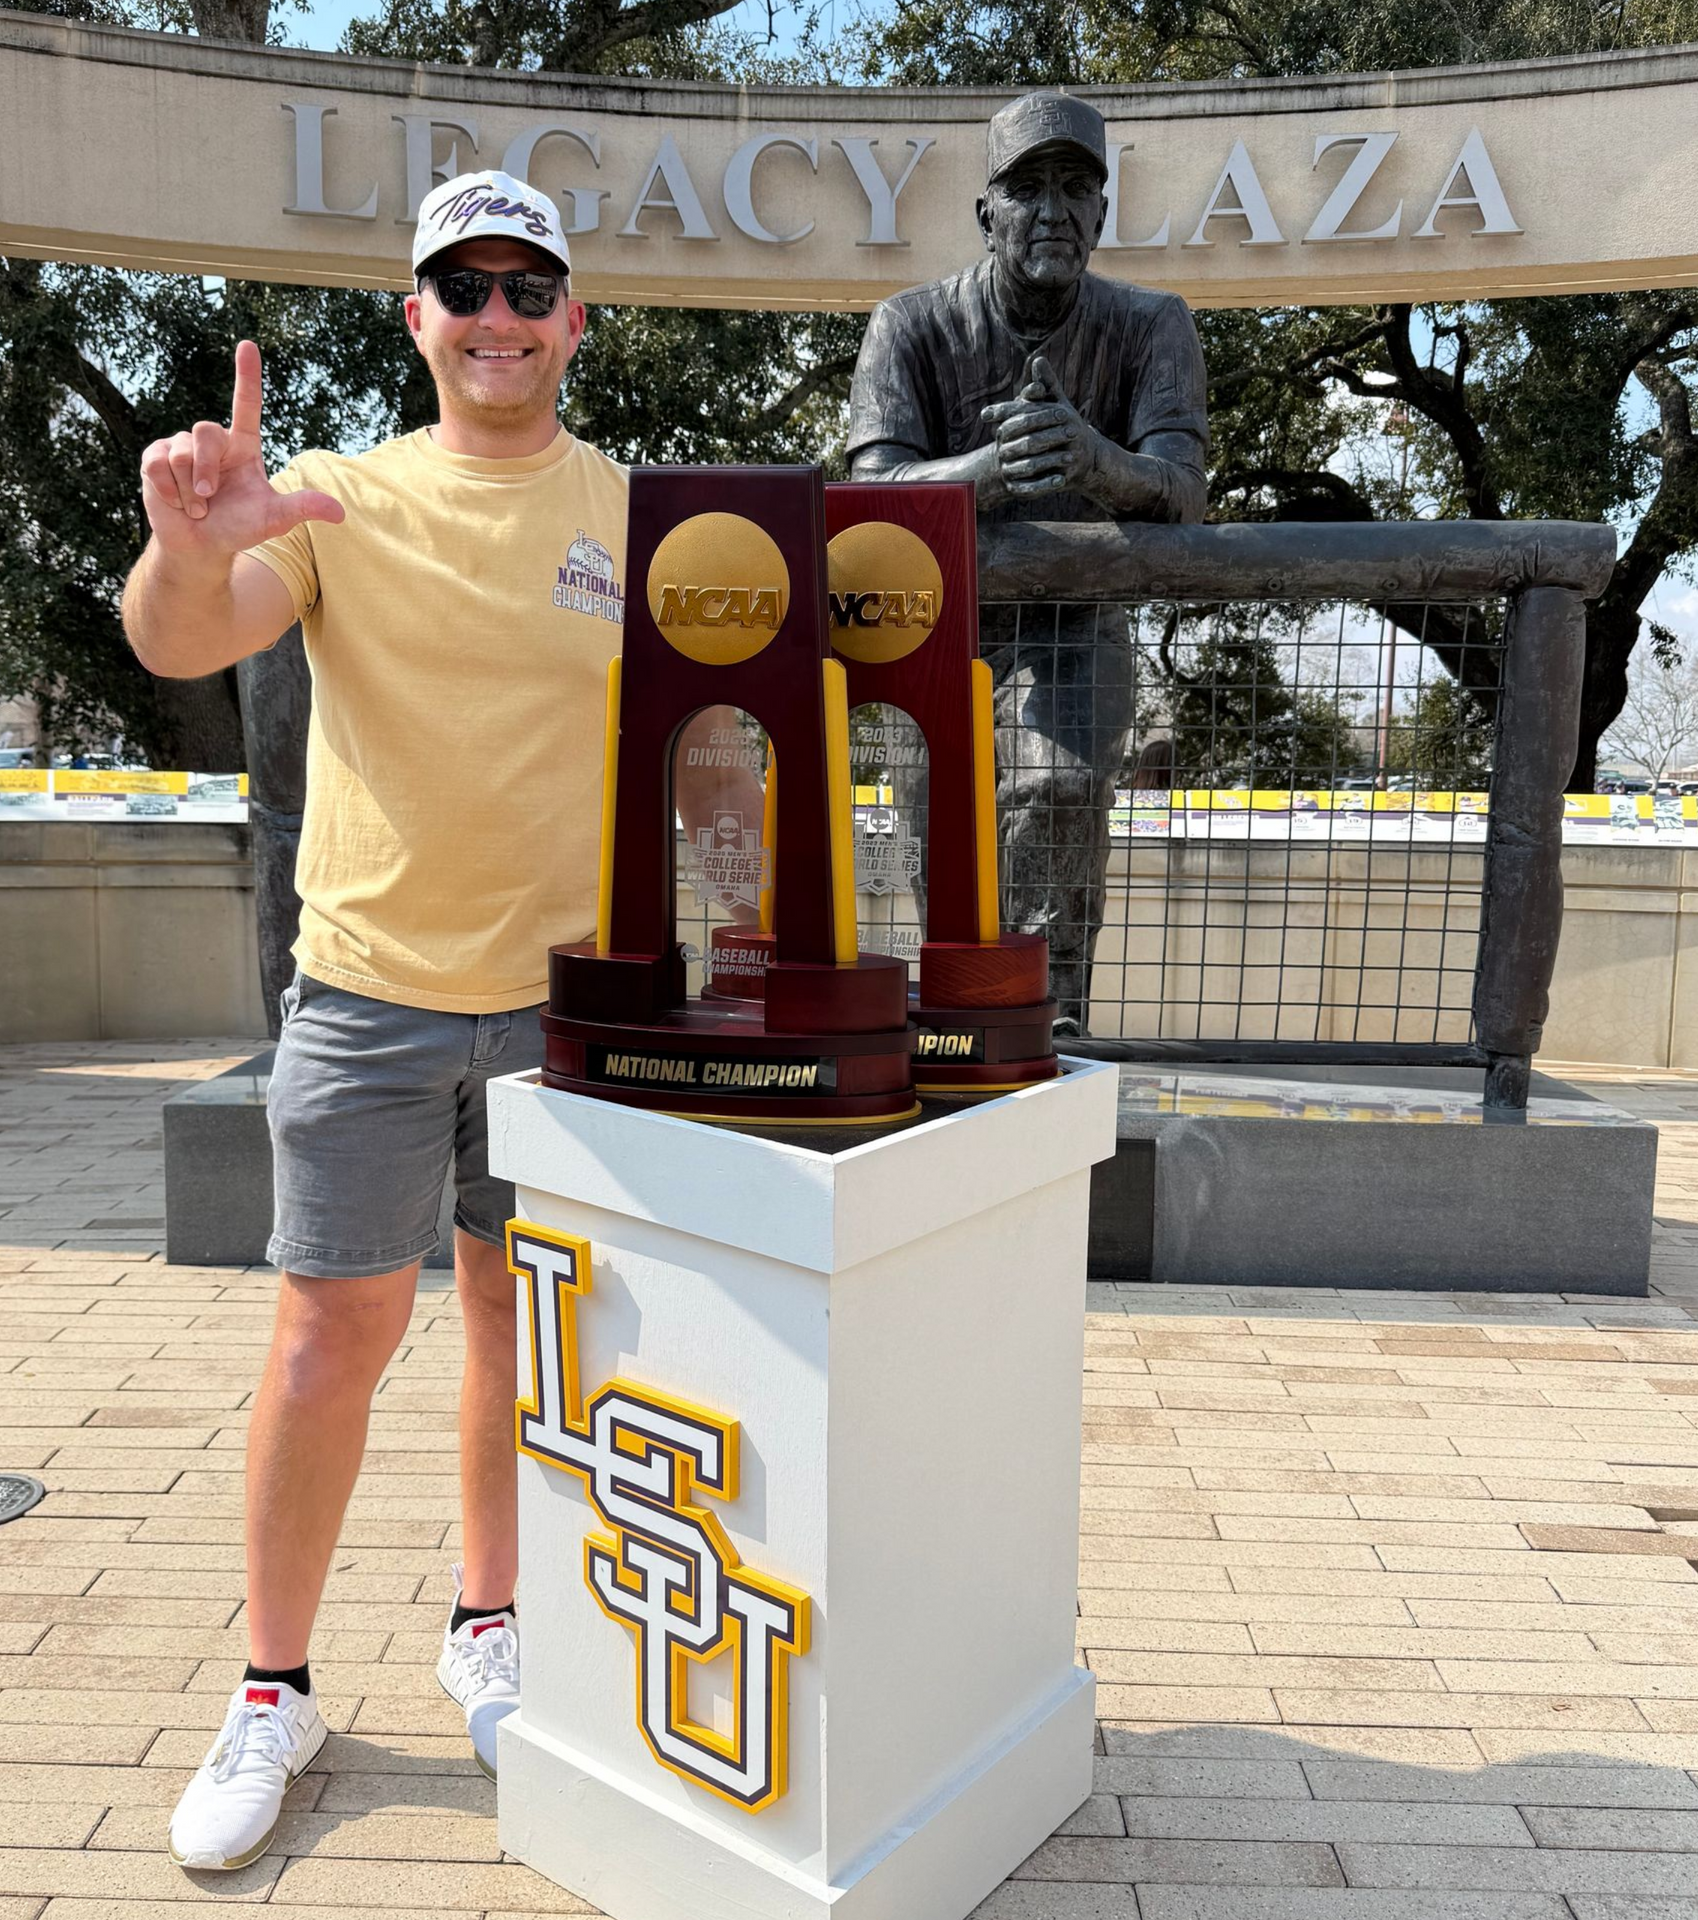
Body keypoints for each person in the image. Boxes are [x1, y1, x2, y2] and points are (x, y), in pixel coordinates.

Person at [123, 168, 757, 1871]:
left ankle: (491, 1627)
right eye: (462, 289)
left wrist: (752, 936)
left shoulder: (643, 518)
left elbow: (710, 749)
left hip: (569, 1012)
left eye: (526, 288)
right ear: (417, 319)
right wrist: (188, 545)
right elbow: (184, 637)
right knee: (326, 1340)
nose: (496, 318)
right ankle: (273, 1689)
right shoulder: (333, 497)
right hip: (368, 1001)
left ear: (574, 321)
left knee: (514, 1330)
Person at [848, 90, 1208, 1028]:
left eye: (1076, 188)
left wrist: (1095, 461)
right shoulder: (910, 324)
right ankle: (967, 1030)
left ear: (1102, 211)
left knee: (1060, 788)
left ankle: (1051, 1021)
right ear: (986, 213)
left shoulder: (1151, 324)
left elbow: (1184, 488)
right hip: (942, 633)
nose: (1054, 210)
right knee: (949, 857)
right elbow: (868, 494)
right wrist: (987, 471)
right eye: (1027, 188)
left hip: (1077, 624)